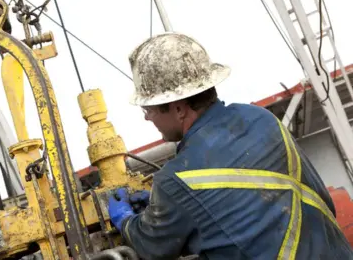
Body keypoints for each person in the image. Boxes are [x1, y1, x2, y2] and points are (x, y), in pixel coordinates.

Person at [107, 32, 353, 260]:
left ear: (179, 108)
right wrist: (169, 204)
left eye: (147, 108)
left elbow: (151, 245)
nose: (147, 117)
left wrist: (126, 219)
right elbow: (320, 199)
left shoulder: (174, 181)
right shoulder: (263, 119)